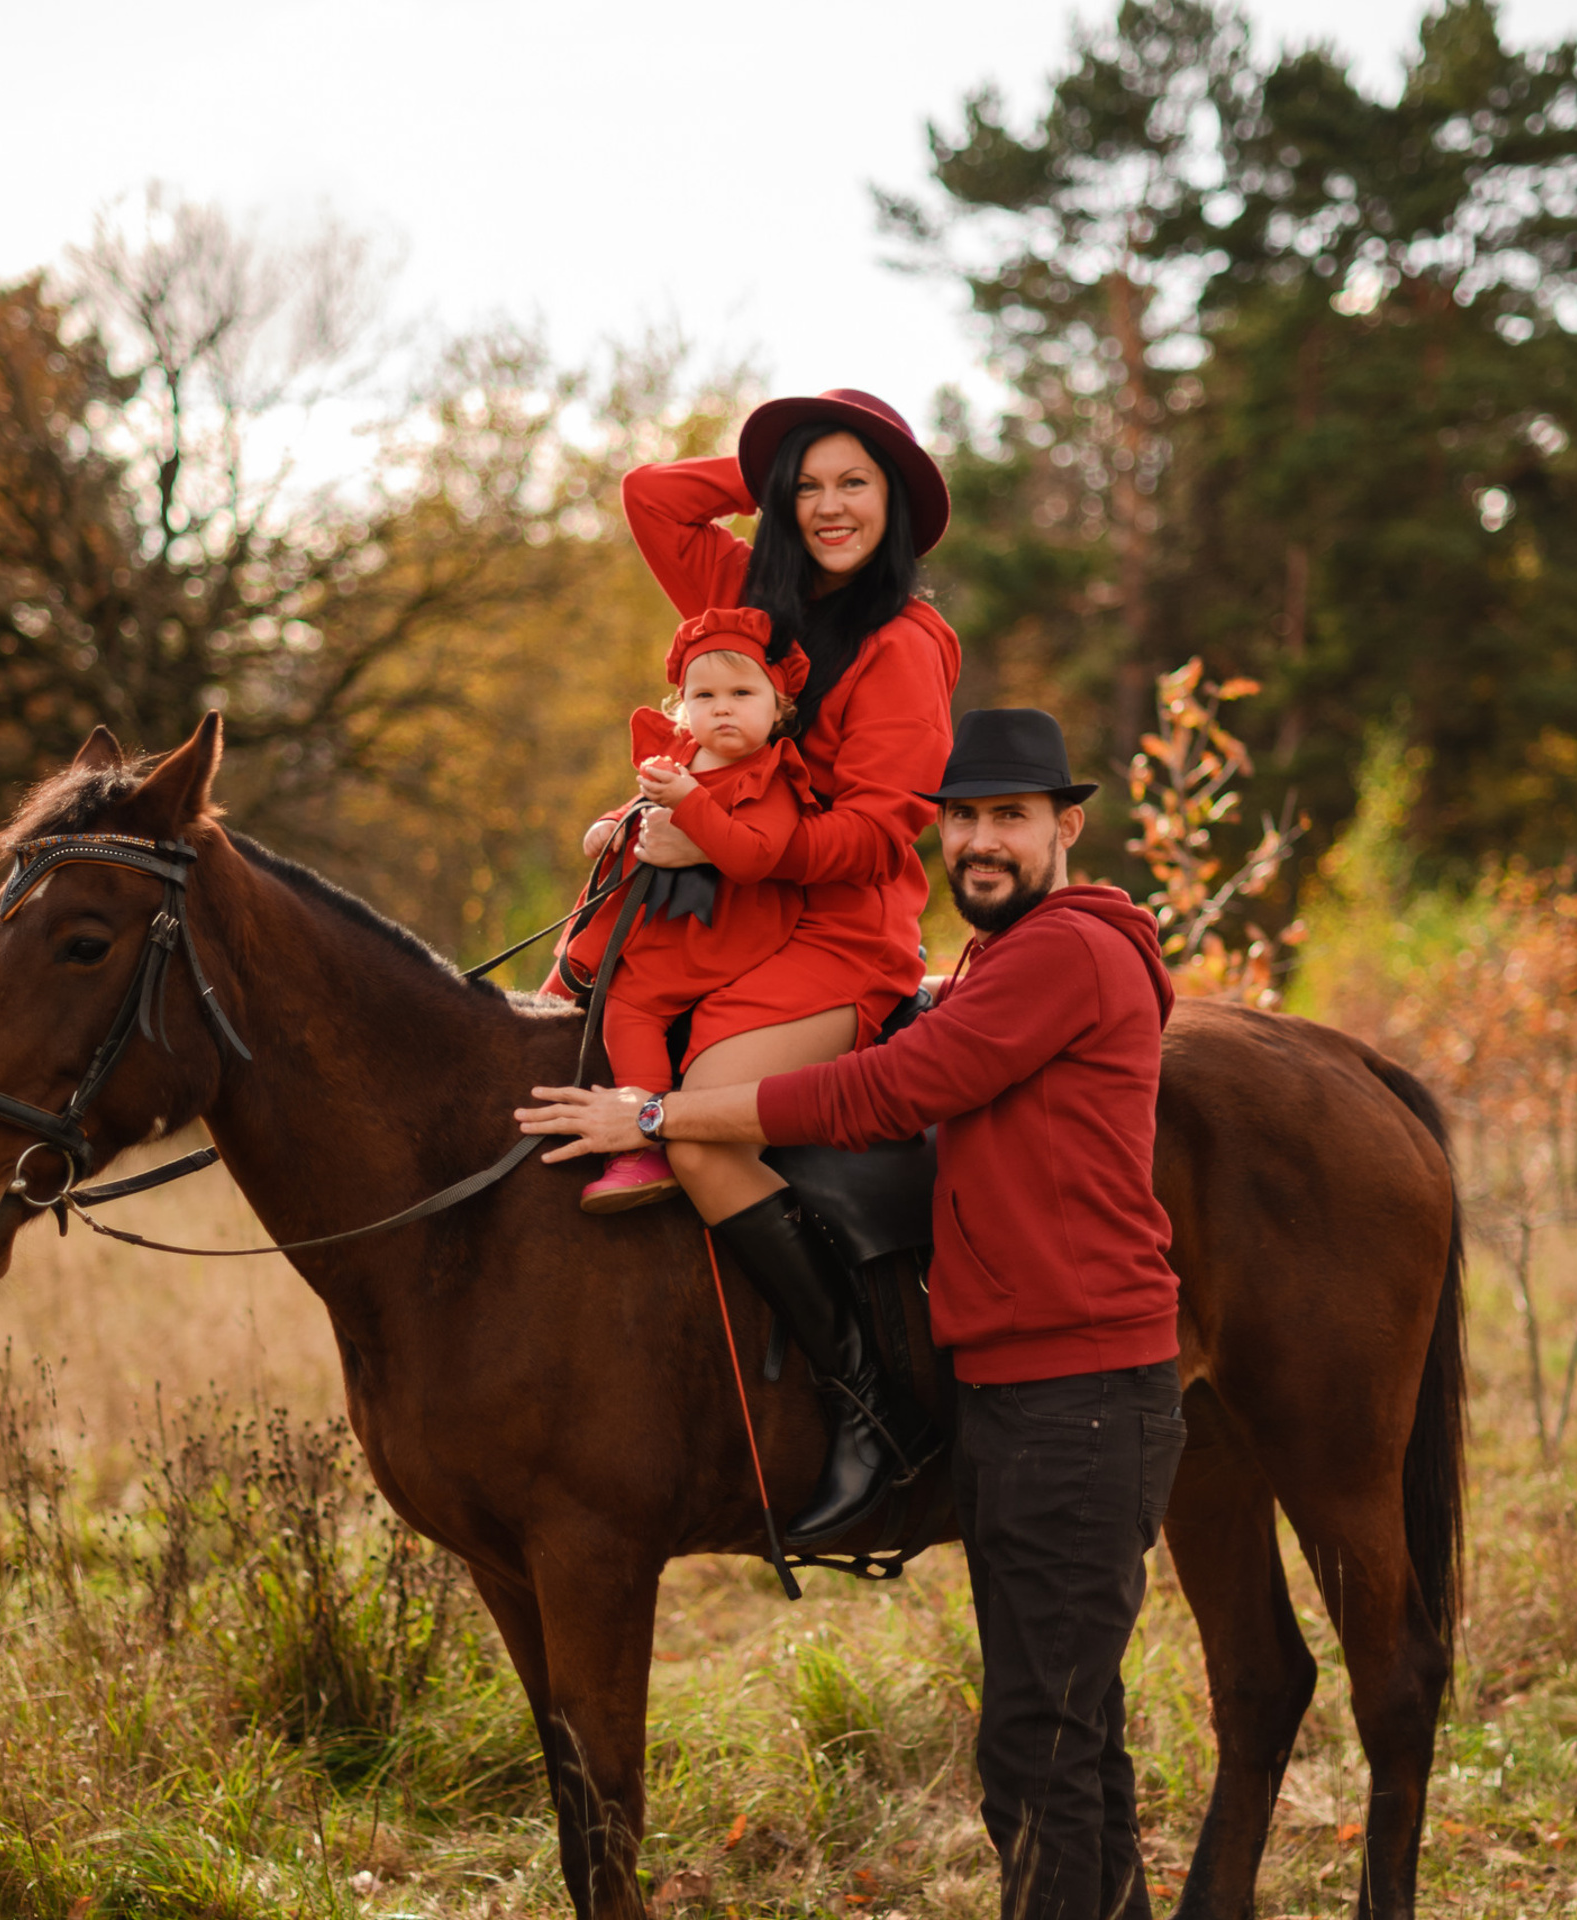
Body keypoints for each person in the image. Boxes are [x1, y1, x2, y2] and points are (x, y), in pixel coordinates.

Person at [518, 708, 1188, 1920]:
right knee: (1069, 1743)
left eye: (1011, 819)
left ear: (1067, 826)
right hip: (1021, 1391)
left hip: (1076, 1400)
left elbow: (890, 1091)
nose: (980, 843)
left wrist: (658, 1119)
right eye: (964, 820)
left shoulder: (1061, 955)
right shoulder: (1008, 956)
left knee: (1036, 1761)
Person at [588, 387, 961, 1548]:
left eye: (856, 483)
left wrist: (720, 833)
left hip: (834, 938)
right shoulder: (744, 599)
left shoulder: (906, 646)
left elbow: (881, 831)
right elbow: (650, 496)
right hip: (708, 919)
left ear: (894, 499)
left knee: (696, 1123)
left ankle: (872, 1404)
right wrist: (770, 469)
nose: (830, 507)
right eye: (810, 485)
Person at [561, 608, 816, 1213]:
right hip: (665, 917)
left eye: (741, 693)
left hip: (726, 928)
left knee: (631, 1005)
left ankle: (643, 1144)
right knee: (575, 985)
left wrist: (690, 802)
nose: (722, 708)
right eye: (705, 695)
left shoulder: (771, 775)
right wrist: (609, 828)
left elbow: (755, 857)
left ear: (777, 708)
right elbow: (634, 804)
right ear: (683, 707)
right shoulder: (682, 759)